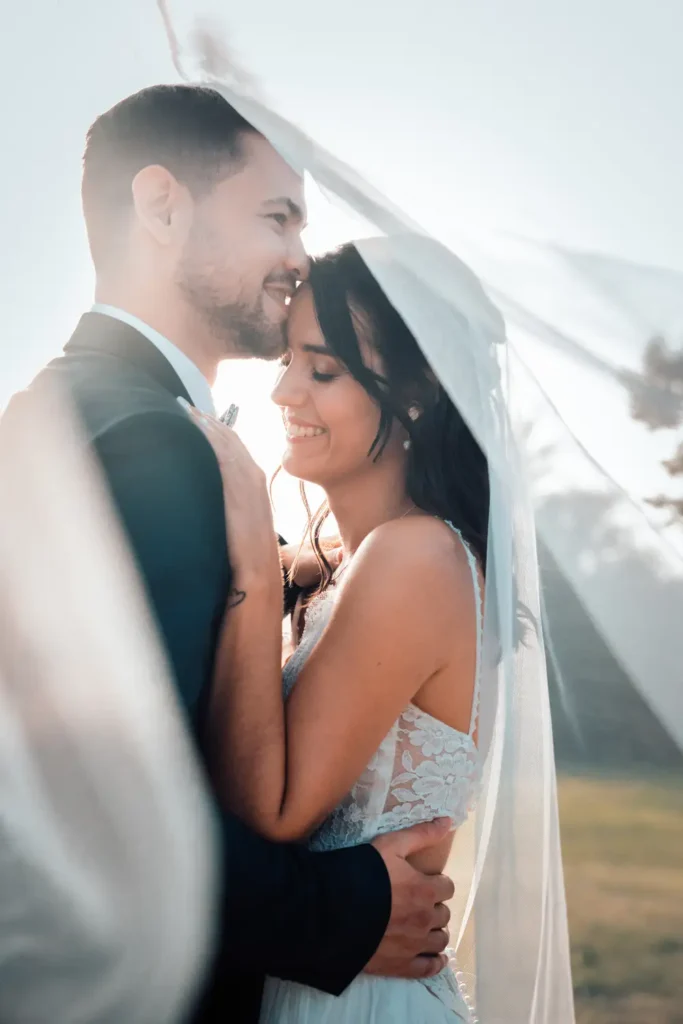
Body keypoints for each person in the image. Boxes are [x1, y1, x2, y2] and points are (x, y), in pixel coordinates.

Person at [17, 84, 454, 1023]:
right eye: (276, 218)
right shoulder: (151, 444)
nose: (298, 258)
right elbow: (102, 802)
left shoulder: (66, 412)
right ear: (163, 206)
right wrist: (340, 911)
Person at [190, 241, 488, 1022]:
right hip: (323, 973)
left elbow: (274, 811)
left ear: (417, 393)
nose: (284, 390)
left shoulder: (415, 556)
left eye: (322, 370)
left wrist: (252, 557)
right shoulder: (357, 565)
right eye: (287, 360)